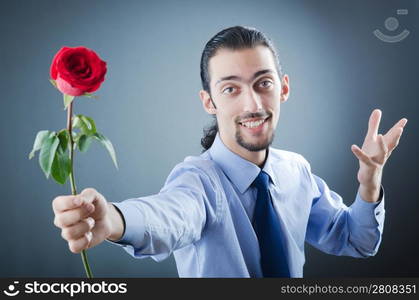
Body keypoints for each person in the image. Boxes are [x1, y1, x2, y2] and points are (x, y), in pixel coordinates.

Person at [52, 26, 407, 278]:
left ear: (284, 89)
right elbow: (168, 215)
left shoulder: (296, 171)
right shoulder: (197, 182)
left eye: (263, 84)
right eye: (231, 89)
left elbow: (357, 241)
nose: (253, 103)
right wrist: (114, 220)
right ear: (209, 101)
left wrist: (370, 183)